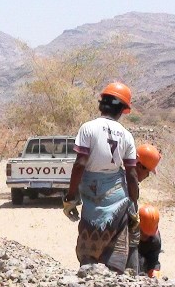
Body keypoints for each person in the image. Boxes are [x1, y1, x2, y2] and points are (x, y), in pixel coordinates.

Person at [63, 82, 160, 272]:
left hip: (91, 199)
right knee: (118, 253)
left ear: (101, 104)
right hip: (118, 198)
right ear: (123, 110)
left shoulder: (88, 128)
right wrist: (133, 205)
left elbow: (80, 164)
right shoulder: (126, 136)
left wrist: (70, 196)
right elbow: (131, 174)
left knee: (88, 253)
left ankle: (89, 279)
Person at [127, 204, 164, 278]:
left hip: (145, 259)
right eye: (143, 233)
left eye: (148, 235)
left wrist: (153, 271)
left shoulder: (155, 239)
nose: (146, 237)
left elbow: (153, 259)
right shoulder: (128, 234)